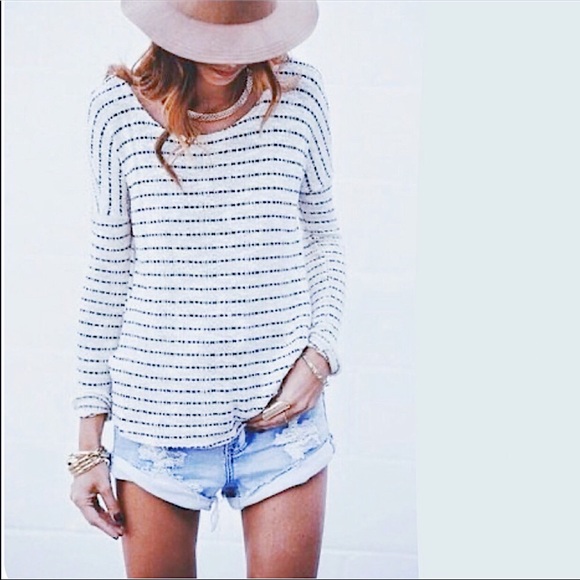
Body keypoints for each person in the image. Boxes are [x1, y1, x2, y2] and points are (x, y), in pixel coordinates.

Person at [69, 1, 346, 577]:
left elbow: (322, 237)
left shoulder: (300, 95)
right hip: (157, 426)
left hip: (281, 425)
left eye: (245, 33)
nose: (230, 57)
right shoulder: (117, 111)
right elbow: (108, 272)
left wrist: (319, 356)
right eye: (212, 37)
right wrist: (88, 443)